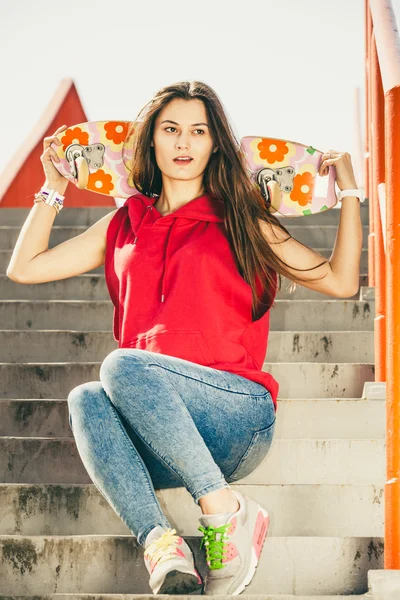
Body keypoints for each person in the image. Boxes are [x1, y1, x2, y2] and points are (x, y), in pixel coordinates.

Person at [6, 80, 362, 596]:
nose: (183, 143)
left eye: (198, 131)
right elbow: (25, 268)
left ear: (215, 144)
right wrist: (54, 183)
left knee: (121, 366)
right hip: (158, 431)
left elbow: (340, 281)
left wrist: (349, 192)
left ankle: (224, 512)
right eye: (170, 129)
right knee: (86, 397)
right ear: (150, 140)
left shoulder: (242, 219)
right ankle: (162, 546)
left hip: (234, 417)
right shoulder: (124, 223)